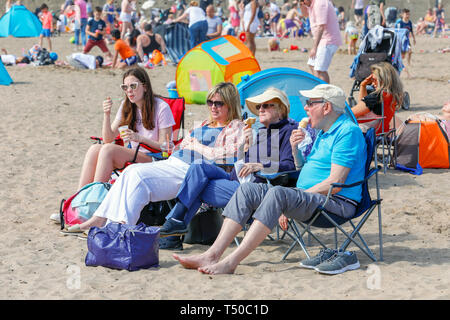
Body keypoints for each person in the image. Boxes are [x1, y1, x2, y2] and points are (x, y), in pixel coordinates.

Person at [173, 84, 367, 275]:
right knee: (246, 190)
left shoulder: (347, 132)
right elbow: (301, 169)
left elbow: (335, 184)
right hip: (310, 198)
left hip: (335, 204)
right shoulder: (323, 133)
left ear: (327, 107)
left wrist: (293, 196)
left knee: (277, 193)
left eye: (310, 103)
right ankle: (212, 254)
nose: (305, 108)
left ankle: (231, 262)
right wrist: (294, 150)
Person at [64, 82, 246, 233]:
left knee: (139, 177)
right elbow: (183, 145)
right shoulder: (206, 123)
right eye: (210, 102)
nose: (213, 107)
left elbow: (225, 157)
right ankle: (100, 219)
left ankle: (121, 229)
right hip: (174, 161)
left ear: (230, 104)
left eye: (218, 103)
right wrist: (191, 146)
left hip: (192, 172)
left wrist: (197, 146)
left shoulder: (235, 126)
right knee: (130, 171)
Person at [158, 88, 304, 245]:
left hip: (254, 189)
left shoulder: (288, 130)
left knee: (198, 186)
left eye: (267, 105)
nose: (260, 109)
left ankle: (173, 230)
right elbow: (242, 161)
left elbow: (290, 166)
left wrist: (260, 165)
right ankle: (174, 224)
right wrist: (245, 146)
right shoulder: (262, 131)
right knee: (198, 166)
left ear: (280, 109)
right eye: (259, 106)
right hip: (237, 179)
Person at [351, 62, 404, 133]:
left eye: (374, 80)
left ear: (382, 80)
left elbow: (352, 113)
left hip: (366, 131)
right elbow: (362, 105)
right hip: (381, 130)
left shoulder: (376, 97)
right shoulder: (391, 96)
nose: (372, 83)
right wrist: (363, 85)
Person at [299, 0, 342, 84]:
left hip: (328, 40)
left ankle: (325, 93)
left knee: (320, 70)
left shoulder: (320, 3)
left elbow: (321, 27)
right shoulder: (311, 4)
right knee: (312, 65)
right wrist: (301, 5)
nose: (303, 2)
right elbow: (305, 15)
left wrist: (314, 47)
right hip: (322, 40)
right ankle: (319, 89)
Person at [395, 8, 416, 74]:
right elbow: (396, 32)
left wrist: (414, 39)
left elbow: (411, 31)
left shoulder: (409, 22)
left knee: (410, 51)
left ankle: (408, 63)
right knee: (401, 55)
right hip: (400, 41)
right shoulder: (399, 22)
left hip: (407, 40)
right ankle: (400, 66)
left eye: (408, 14)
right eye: (406, 14)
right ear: (402, 15)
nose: (407, 16)